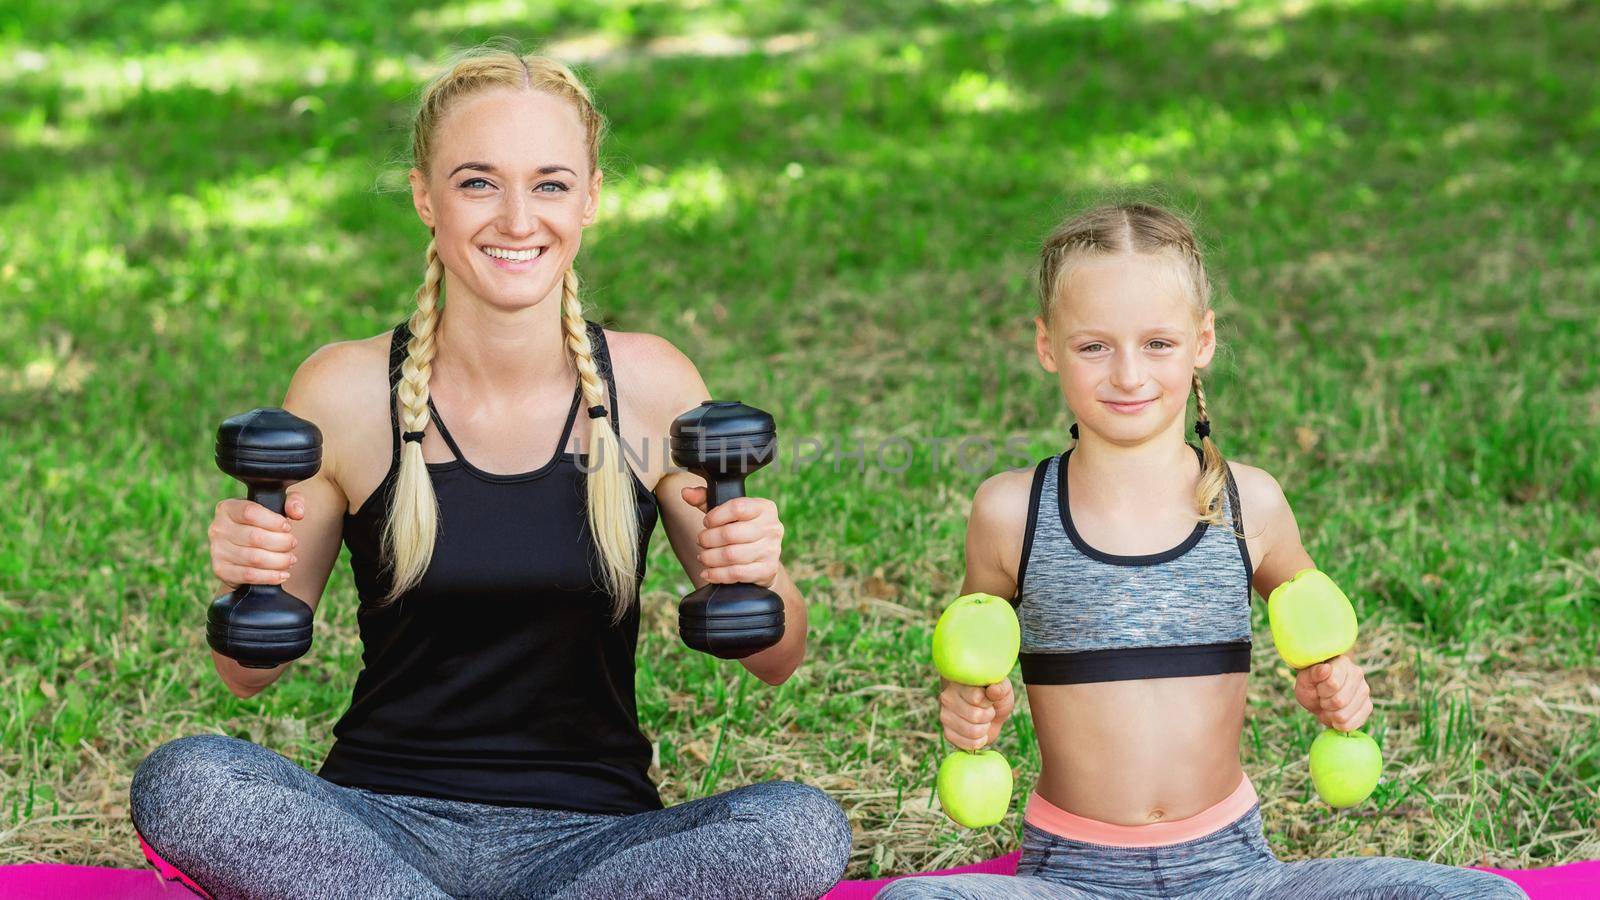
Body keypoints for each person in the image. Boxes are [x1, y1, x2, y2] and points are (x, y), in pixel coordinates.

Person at [129, 46, 851, 900]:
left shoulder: (653, 389)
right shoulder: (344, 391)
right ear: (423, 197)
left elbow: (776, 659)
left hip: (594, 843)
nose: (517, 218)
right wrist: (249, 570)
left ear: (590, 197)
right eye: (478, 182)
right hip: (377, 834)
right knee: (186, 777)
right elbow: (248, 675)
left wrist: (759, 566)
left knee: (802, 828)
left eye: (549, 184)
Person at [877, 204, 1524, 899]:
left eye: (1158, 343)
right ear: (1047, 346)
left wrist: (1340, 685)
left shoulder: (1253, 504)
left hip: (1235, 873)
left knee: (1487, 897)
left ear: (1202, 342)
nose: (1128, 375)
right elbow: (973, 664)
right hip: (1072, 877)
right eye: (1094, 346)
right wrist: (970, 706)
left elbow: (1320, 635)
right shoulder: (1010, 513)